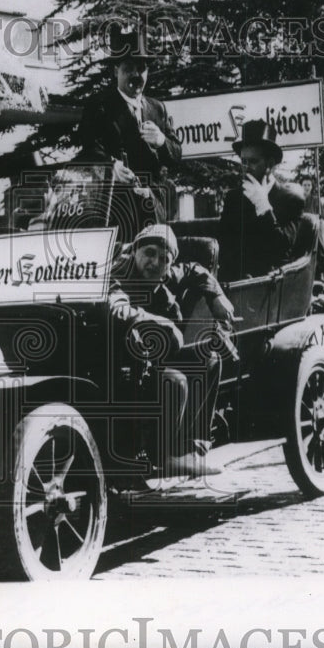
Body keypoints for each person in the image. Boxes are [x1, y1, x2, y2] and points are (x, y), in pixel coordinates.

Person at [109, 225, 235, 478]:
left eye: (164, 259)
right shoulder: (119, 272)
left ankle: (193, 447)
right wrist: (157, 320)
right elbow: (115, 300)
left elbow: (195, 270)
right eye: (149, 252)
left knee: (209, 359)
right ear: (134, 252)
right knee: (174, 381)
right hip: (120, 362)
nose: (155, 262)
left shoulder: (165, 275)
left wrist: (216, 295)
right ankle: (167, 456)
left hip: (153, 353)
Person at [76, 26, 180, 240]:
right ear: (116, 70)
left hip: (154, 206)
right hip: (118, 207)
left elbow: (177, 154)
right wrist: (110, 167)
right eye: (128, 68)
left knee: (154, 262)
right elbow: (88, 149)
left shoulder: (157, 108)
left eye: (141, 68)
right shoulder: (100, 106)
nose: (135, 75)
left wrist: (161, 141)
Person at [218, 119, 309, 281]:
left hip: (272, 286)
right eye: (243, 161)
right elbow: (225, 247)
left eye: (253, 161)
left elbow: (282, 248)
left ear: (270, 164)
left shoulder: (290, 200)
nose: (246, 168)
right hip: (238, 284)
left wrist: (264, 207)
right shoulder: (234, 198)